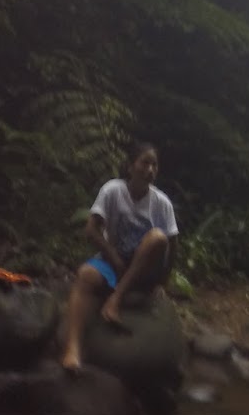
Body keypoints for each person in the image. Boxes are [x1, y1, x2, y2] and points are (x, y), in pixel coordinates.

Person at [60, 141, 179, 373]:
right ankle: (72, 350)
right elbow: (91, 230)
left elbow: (172, 244)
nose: (151, 170)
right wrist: (113, 258)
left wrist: (163, 281)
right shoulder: (112, 190)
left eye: (155, 165)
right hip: (115, 261)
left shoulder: (162, 203)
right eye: (145, 163)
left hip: (144, 268)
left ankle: (115, 299)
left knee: (157, 237)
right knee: (85, 275)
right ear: (130, 166)